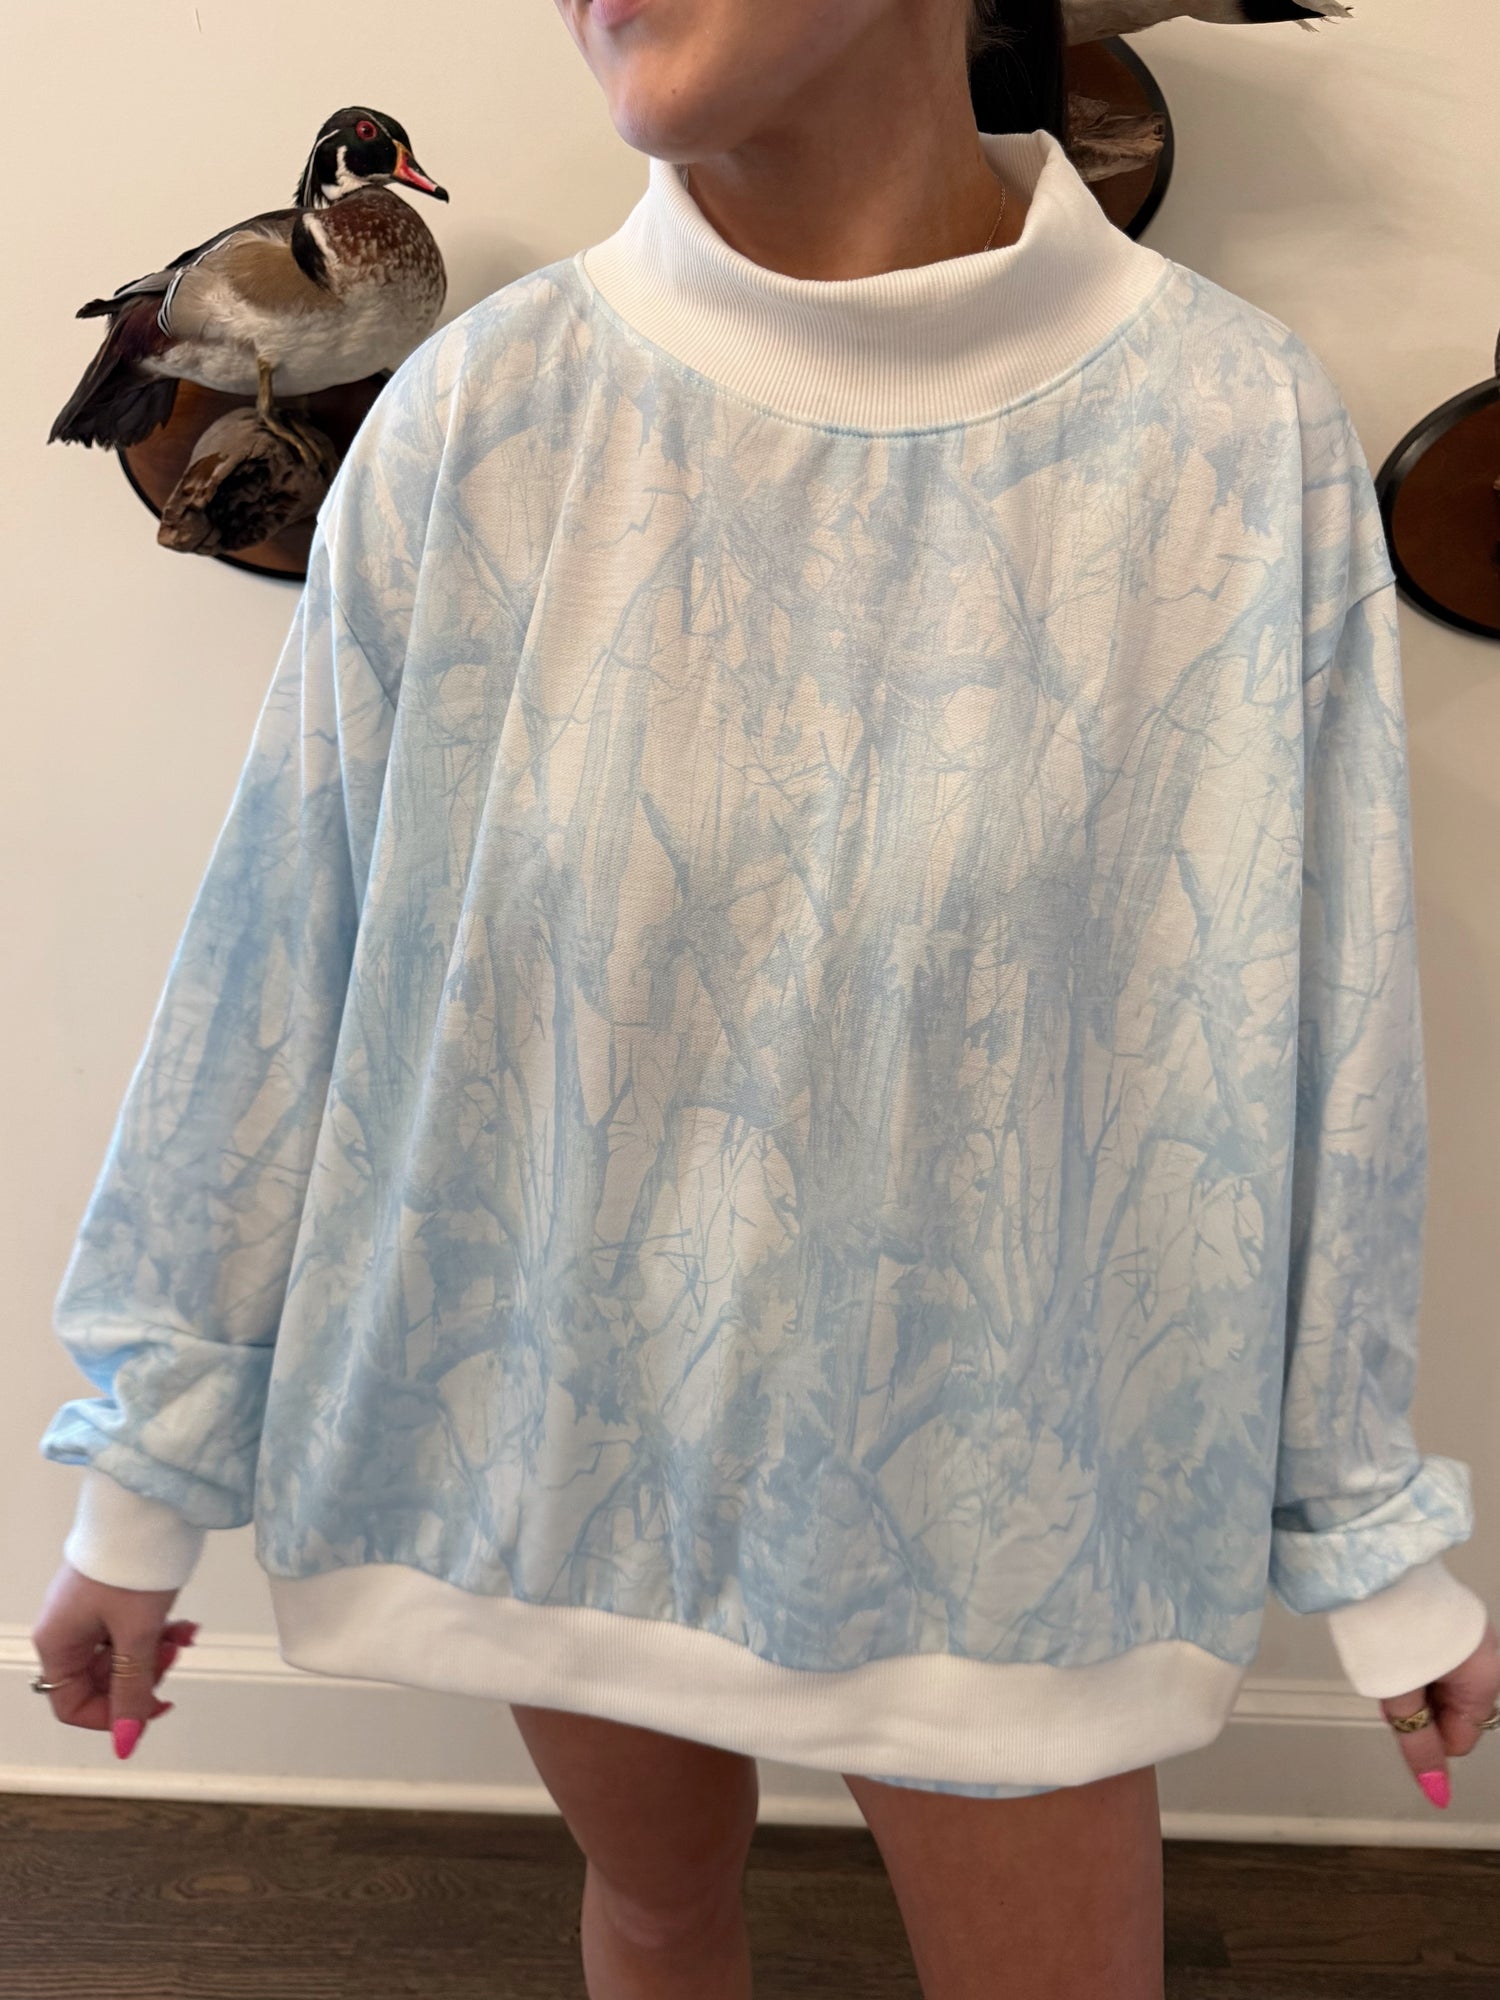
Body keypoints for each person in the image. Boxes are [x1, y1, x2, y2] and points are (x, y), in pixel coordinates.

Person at [30, 1, 1500, 1994]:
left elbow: (1311, 1014)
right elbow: (285, 952)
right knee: (655, 1907)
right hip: (556, 1430)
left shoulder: (1222, 430)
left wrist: (1365, 1524)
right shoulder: (492, 415)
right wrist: (144, 1479)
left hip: (1006, 1484)